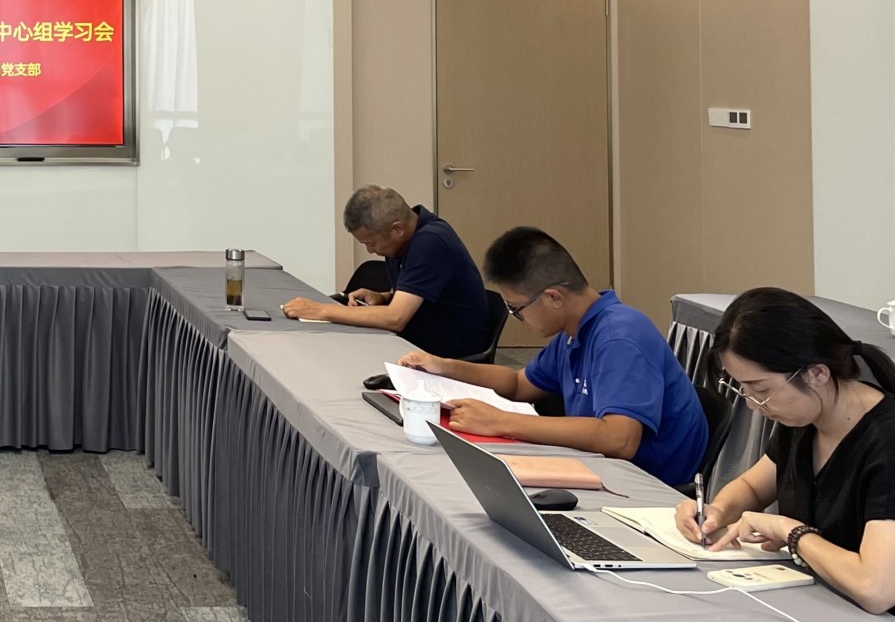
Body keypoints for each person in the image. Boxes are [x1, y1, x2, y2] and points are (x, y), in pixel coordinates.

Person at [671, 288, 895, 622]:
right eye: (743, 389)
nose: (752, 405)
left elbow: (876, 588)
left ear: (817, 374)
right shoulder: (806, 418)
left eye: (760, 389)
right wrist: (716, 512)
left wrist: (790, 532)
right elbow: (752, 487)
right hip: (830, 614)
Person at [396, 226, 707, 486]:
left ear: (554, 297)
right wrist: (445, 366)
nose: (518, 318)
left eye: (516, 308)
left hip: (645, 486)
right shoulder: (575, 329)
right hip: (598, 467)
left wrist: (501, 421)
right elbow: (519, 384)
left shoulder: (620, 337)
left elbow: (619, 440)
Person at [280, 185, 492, 359]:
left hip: (447, 354)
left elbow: (395, 318)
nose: (370, 250)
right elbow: (421, 295)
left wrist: (320, 310)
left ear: (397, 229)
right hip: (415, 342)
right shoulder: (403, 239)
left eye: (371, 243)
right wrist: (384, 297)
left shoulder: (431, 242)